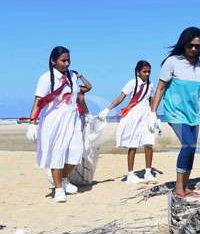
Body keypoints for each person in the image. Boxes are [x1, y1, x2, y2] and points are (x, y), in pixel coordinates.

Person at [148, 27, 200, 198]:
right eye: (190, 46)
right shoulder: (172, 62)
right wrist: (153, 113)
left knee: (192, 148)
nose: (194, 49)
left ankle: (186, 186)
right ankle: (178, 189)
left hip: (192, 114)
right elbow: (160, 89)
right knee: (187, 145)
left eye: (198, 46)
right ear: (184, 44)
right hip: (174, 112)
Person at [26, 46, 92, 202]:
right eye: (63, 60)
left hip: (72, 119)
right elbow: (38, 101)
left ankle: (61, 178)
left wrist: (86, 114)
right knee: (57, 153)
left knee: (76, 153)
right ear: (53, 61)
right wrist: (32, 123)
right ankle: (58, 189)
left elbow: (79, 97)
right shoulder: (45, 78)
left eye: (68, 60)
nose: (67, 63)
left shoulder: (72, 76)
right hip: (54, 121)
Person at [98, 60, 157, 183]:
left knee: (149, 143)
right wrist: (107, 109)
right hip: (134, 115)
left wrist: (154, 115)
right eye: (144, 71)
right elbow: (120, 98)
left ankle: (148, 172)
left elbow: (151, 100)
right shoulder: (131, 83)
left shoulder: (150, 84)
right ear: (138, 72)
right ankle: (130, 174)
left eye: (149, 72)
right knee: (132, 144)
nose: (147, 74)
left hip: (146, 116)